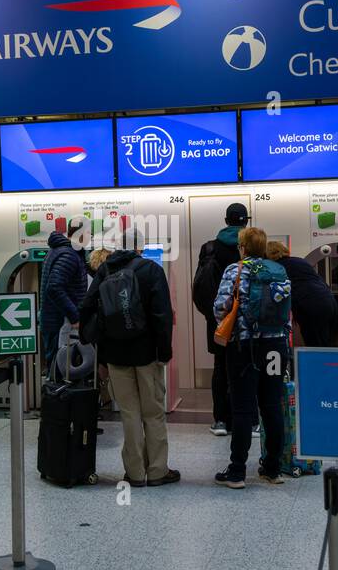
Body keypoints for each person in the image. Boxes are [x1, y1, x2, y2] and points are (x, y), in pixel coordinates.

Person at [79, 230, 179, 487]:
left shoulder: (105, 270)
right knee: (153, 413)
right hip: (147, 355)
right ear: (141, 248)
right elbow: (162, 316)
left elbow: (87, 308)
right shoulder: (151, 270)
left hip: (115, 355)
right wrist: (164, 352)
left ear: (119, 246)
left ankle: (134, 473)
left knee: (129, 413)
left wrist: (99, 349)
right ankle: (157, 471)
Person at [212, 227, 292, 489]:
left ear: (243, 247)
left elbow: (220, 307)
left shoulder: (235, 270)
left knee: (243, 408)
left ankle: (237, 472)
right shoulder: (278, 270)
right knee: (272, 405)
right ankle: (273, 468)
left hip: (244, 347)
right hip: (276, 344)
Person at [192, 203, 247, 438]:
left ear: (226, 220)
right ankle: (247, 420)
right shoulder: (251, 246)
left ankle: (221, 421)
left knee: (220, 368)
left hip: (217, 320)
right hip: (246, 320)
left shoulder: (209, 248)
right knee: (245, 368)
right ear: (245, 222)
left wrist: (210, 314)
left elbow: (201, 285)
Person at [266, 240, 337, 347]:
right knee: (325, 343)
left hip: (312, 306)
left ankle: (316, 363)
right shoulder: (299, 261)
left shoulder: (278, 268)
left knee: (315, 344)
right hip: (329, 301)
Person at [39, 222, 88, 371]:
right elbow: (54, 287)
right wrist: (74, 316)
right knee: (61, 369)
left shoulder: (57, 251)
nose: (89, 238)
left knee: (57, 366)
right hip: (60, 322)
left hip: (54, 319)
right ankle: (57, 393)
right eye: (88, 234)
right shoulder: (68, 255)